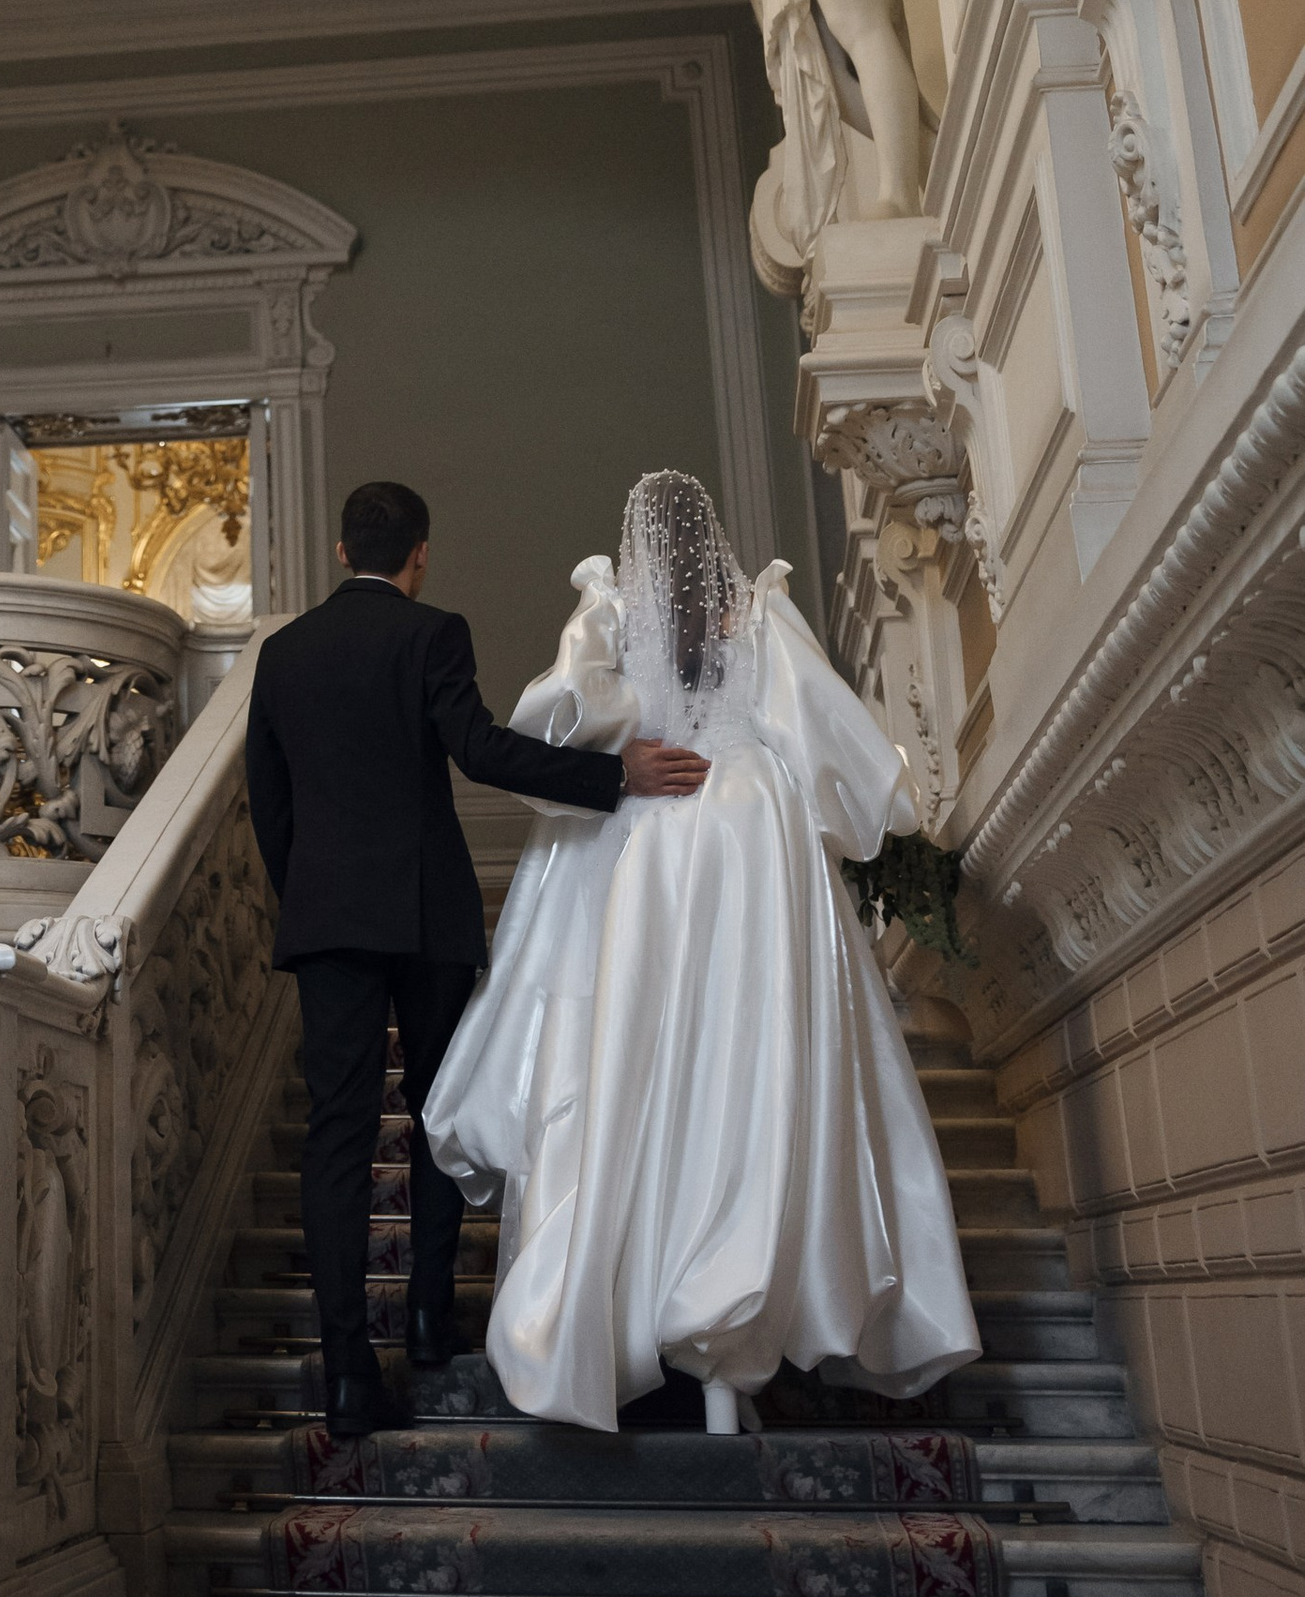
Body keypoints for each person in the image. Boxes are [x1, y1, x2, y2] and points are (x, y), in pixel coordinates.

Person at [424, 469, 979, 1433]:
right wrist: (874, 807)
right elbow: (830, 737)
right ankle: (737, 1334)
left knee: (642, 1070)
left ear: (638, 547)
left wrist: (617, 757)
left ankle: (632, 1315)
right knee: (754, 1068)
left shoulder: (608, 609)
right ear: (712, 540)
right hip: (751, 834)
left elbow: (554, 716)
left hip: (655, 837)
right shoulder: (759, 611)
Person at [244, 478, 709, 1431]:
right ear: (419, 554)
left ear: (341, 552)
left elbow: (270, 795)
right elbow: (482, 750)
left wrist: (310, 899)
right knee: (438, 1113)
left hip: (330, 921)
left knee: (337, 1138)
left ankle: (346, 1375)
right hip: (425, 914)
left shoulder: (282, 653)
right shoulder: (431, 633)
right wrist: (612, 775)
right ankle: (424, 1316)